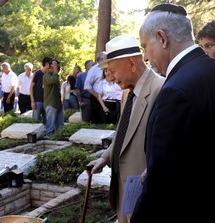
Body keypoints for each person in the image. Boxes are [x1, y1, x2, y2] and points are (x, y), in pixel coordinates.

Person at [130, 4, 215, 223]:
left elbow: (161, 182)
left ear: (162, 38)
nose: (146, 57)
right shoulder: (208, 68)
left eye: (145, 46)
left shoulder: (175, 91)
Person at [87, 34, 165, 223]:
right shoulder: (126, 93)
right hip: (123, 190)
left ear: (131, 63)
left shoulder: (162, 89)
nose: (110, 77)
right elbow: (124, 134)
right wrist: (105, 158)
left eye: (112, 70)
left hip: (145, 196)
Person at [84, 51, 107, 124]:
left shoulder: (108, 68)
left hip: (108, 98)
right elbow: (87, 86)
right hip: (96, 98)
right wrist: (97, 96)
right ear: (103, 59)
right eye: (107, 58)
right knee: (97, 120)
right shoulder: (93, 69)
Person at [43, 59, 64, 136]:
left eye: (58, 68)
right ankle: (48, 138)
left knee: (60, 125)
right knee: (50, 126)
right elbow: (54, 79)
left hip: (57, 103)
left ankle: (59, 137)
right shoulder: (46, 76)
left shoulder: (54, 75)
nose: (57, 70)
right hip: (50, 104)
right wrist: (55, 67)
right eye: (56, 68)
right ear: (51, 67)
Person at [30, 57, 52, 124]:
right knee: (35, 121)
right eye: (50, 64)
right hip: (38, 100)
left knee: (47, 121)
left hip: (47, 102)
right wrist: (32, 101)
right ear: (46, 64)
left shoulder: (50, 74)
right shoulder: (38, 73)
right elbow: (31, 87)